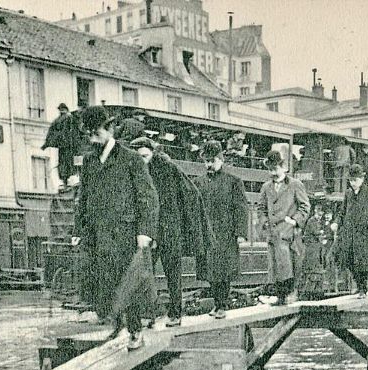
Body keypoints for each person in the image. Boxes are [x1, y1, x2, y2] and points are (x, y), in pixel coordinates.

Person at [75, 106, 159, 350]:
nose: (93, 139)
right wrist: (78, 230)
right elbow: (84, 198)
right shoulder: (90, 161)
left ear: (110, 129)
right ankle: (116, 325)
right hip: (99, 233)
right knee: (105, 281)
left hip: (125, 233)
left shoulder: (131, 159)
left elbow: (147, 197)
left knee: (129, 282)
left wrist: (145, 231)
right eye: (89, 134)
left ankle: (134, 330)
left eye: (97, 133)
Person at [129, 137, 210, 327]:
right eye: (138, 157)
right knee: (144, 274)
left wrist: (182, 225)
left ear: (153, 152)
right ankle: (149, 315)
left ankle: (175, 313)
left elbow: (185, 196)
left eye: (145, 156)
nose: (142, 160)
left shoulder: (167, 169)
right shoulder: (135, 171)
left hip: (168, 231)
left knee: (172, 274)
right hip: (149, 232)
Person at [192, 141, 248, 319]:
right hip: (208, 233)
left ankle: (221, 304)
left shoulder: (233, 181)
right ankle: (217, 304)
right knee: (210, 271)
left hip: (226, 234)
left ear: (221, 160)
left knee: (224, 272)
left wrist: (241, 233)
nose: (208, 165)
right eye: (206, 161)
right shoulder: (198, 183)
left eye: (212, 161)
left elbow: (241, 208)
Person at [257, 150, 311, 305]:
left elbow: (305, 206)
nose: (272, 172)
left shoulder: (295, 185)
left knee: (288, 264)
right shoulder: (266, 187)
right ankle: (279, 296)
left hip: (288, 233)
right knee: (274, 266)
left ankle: (289, 294)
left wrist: (294, 221)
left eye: (275, 169)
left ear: (283, 167)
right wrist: (264, 222)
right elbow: (261, 208)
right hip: (272, 232)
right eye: (270, 169)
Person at [332, 164, 368, 298]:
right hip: (350, 234)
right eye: (350, 180)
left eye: (355, 180)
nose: (353, 183)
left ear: (362, 179)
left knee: (363, 264)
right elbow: (342, 212)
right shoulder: (348, 194)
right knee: (350, 261)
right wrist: (337, 222)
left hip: (364, 234)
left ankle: (362, 288)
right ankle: (359, 285)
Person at [41, 103, 87, 187]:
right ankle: (76, 179)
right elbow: (78, 131)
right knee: (75, 163)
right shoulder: (70, 118)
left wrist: (47, 143)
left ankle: (67, 182)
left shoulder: (58, 120)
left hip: (65, 147)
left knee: (65, 164)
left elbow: (51, 132)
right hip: (72, 146)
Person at [300, 203, 328, 300]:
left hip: (316, 249)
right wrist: (322, 234)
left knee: (317, 270)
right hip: (312, 249)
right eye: (319, 213)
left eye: (321, 214)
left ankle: (315, 293)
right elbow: (317, 233)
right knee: (312, 270)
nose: (320, 216)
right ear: (316, 211)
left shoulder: (317, 221)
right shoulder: (312, 221)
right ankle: (307, 293)